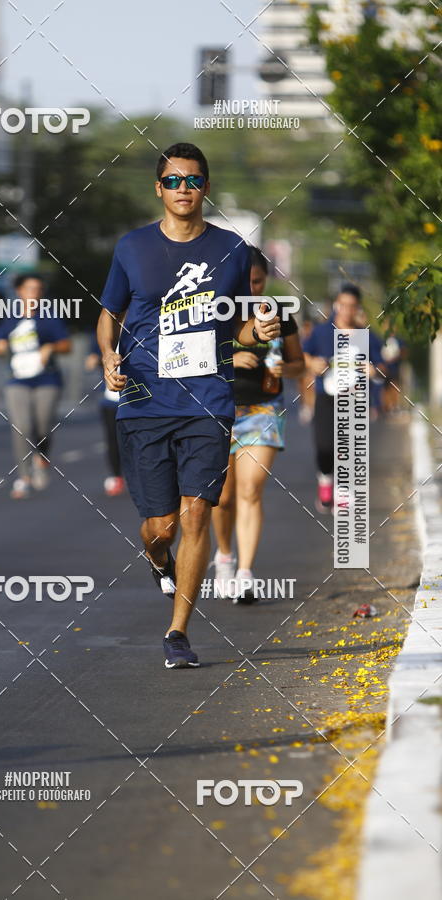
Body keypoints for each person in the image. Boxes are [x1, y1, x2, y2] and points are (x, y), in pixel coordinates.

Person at [97, 142, 280, 669]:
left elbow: (239, 324)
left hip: (209, 400)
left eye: (194, 180)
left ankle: (177, 631)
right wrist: (108, 354)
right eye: (174, 181)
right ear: (159, 188)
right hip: (144, 400)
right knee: (162, 527)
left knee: (197, 511)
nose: (184, 189)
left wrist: (260, 331)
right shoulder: (132, 247)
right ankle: (157, 557)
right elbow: (110, 313)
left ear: (206, 188)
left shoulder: (232, 249)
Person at [211, 248, 304, 602]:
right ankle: (224, 556)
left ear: (266, 281)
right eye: (244, 281)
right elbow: (189, 356)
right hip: (217, 409)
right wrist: (230, 357)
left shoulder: (278, 313)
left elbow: (299, 363)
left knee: (251, 489)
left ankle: (246, 574)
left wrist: (285, 369)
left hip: (263, 409)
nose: (251, 288)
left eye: (258, 281)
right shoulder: (215, 310)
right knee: (222, 496)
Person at [303, 283, 383, 513]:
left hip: (354, 399)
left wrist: (374, 370)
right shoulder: (321, 332)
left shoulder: (366, 336)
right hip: (326, 397)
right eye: (343, 305)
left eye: (352, 306)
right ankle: (325, 479)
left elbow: (381, 366)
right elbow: (301, 354)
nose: (347, 310)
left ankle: (344, 492)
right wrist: (312, 363)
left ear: (358, 308)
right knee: (325, 446)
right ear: (336, 305)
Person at [0, 275, 71, 499]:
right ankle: (24, 476)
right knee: (22, 427)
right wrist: (0, 347)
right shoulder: (10, 318)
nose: (34, 293)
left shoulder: (49, 318)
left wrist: (51, 348)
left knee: (43, 425)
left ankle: (42, 455)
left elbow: (67, 346)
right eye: (29, 289)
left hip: (47, 379)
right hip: (17, 380)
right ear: (19, 291)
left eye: (38, 289)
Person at [85, 334, 125, 496]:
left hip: (139, 399)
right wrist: (95, 360)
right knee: (112, 440)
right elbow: (92, 359)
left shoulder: (143, 329)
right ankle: (116, 476)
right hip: (111, 400)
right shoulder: (105, 333)